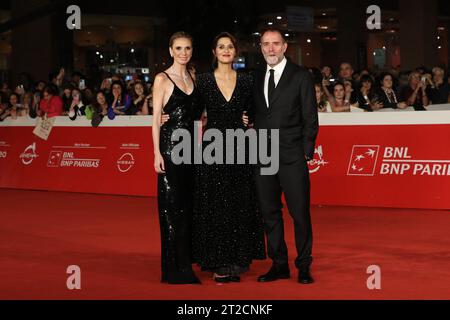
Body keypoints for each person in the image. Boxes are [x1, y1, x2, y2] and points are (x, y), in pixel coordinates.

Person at [192, 32, 266, 283]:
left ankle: (237, 258)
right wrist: (164, 117)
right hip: (212, 148)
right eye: (221, 46)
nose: (225, 50)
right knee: (216, 203)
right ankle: (219, 262)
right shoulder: (202, 81)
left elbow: (256, 111)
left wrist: (250, 119)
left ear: (236, 52)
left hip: (241, 147)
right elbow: (189, 111)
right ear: (214, 52)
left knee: (239, 201)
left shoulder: (246, 81)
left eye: (230, 47)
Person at [251, 29, 318, 284]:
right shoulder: (255, 76)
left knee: (299, 213)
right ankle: (279, 264)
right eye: (266, 44)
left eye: (275, 44)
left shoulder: (300, 76)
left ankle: (303, 265)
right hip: (263, 156)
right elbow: (252, 111)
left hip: (292, 156)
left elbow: (310, 117)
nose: (271, 49)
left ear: (284, 46)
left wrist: (306, 152)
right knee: (270, 213)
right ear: (261, 47)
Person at [152, 31, 200, 285]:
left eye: (188, 48)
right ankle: (173, 269)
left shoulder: (193, 77)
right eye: (179, 48)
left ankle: (186, 262)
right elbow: (154, 121)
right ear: (171, 50)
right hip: (171, 150)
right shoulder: (162, 79)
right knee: (172, 209)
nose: (183, 53)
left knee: (188, 208)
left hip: (192, 151)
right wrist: (156, 153)